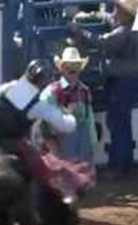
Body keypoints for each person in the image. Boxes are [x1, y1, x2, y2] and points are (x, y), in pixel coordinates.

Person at [68, 0, 138, 180]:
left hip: (122, 82)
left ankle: (117, 167)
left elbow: (101, 43)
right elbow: (110, 21)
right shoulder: (129, 29)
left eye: (118, 8)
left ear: (126, 13)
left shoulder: (123, 33)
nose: (114, 11)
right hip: (129, 81)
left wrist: (79, 31)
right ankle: (125, 165)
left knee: (118, 125)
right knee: (122, 124)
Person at [0, 59, 80, 200]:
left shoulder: (4, 89)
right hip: (12, 142)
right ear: (44, 82)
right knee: (42, 170)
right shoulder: (38, 105)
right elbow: (67, 126)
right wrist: (71, 115)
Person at [36, 46, 98, 194]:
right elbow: (43, 126)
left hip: (80, 145)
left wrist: (91, 148)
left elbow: (89, 122)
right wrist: (53, 151)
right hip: (59, 144)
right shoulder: (51, 93)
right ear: (62, 68)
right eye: (69, 66)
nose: (72, 70)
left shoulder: (84, 91)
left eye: (75, 66)